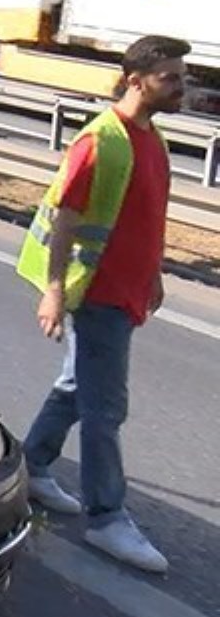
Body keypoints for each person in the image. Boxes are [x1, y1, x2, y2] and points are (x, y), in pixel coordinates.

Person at [16, 35, 190, 574]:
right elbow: (67, 219)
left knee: (75, 387)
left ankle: (32, 467)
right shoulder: (101, 141)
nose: (183, 87)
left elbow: (144, 218)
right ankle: (107, 517)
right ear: (136, 80)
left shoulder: (152, 141)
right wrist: (52, 290)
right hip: (98, 293)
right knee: (105, 408)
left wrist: (153, 275)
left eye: (183, 77)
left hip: (130, 289)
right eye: (172, 78)